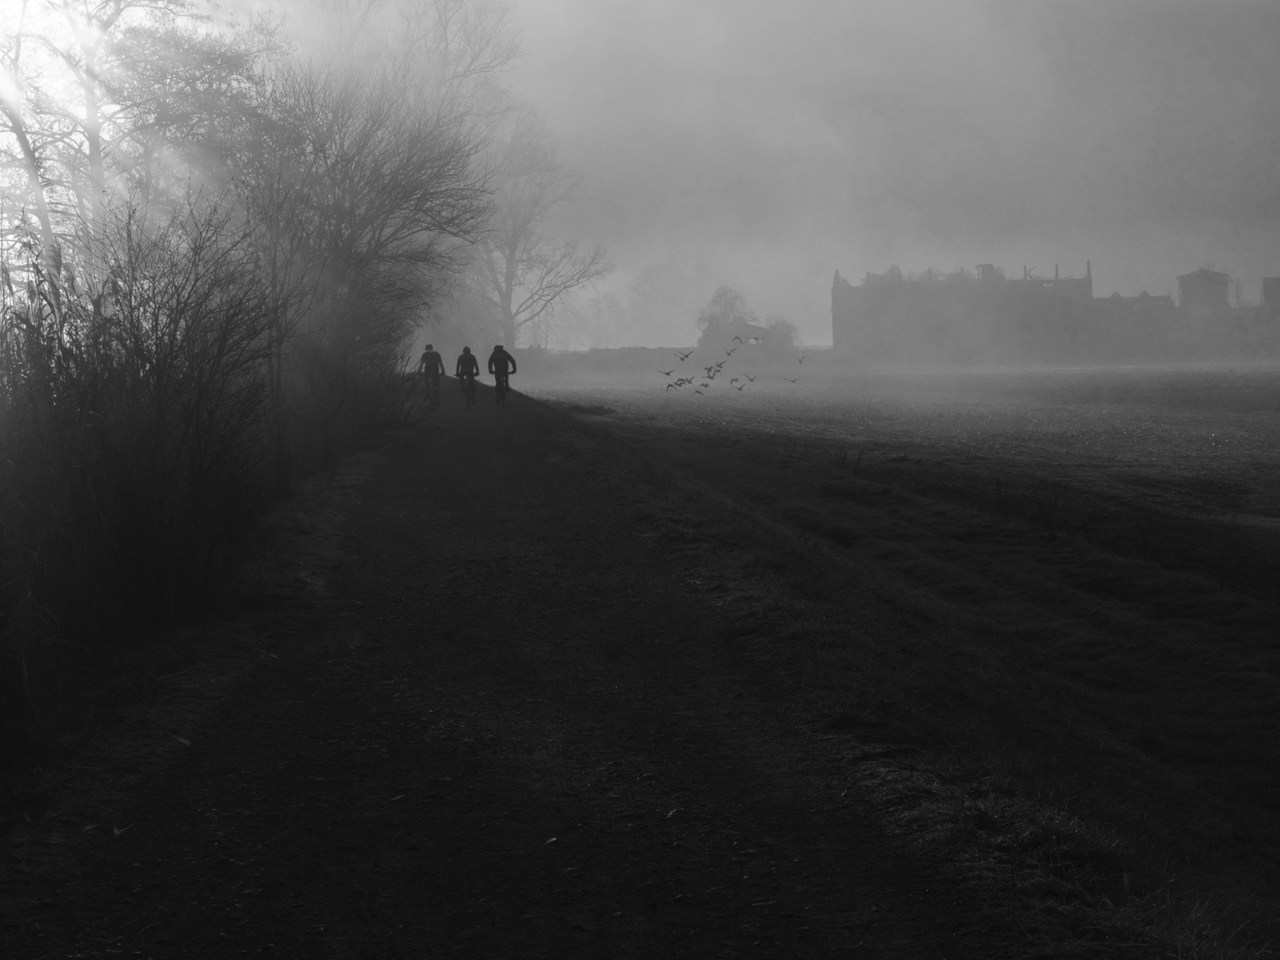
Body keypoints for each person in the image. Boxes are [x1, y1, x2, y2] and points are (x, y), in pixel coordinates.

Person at [417, 343, 445, 407]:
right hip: (435, 371)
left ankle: (427, 397)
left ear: (426, 349)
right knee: (436, 384)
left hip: (427, 371)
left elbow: (421, 364)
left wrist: (419, 372)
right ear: (432, 348)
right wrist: (443, 371)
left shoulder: (424, 354)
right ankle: (437, 398)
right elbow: (440, 363)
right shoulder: (436, 354)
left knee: (427, 385)